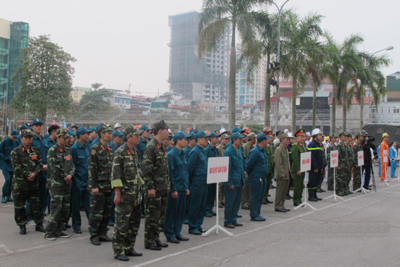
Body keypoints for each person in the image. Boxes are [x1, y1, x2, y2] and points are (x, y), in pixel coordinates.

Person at [111, 127, 144, 261]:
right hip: (125, 196)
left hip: (135, 195)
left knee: (134, 224)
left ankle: (129, 247)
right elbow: (115, 175)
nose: (138, 138)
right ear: (129, 137)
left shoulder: (135, 152)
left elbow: (137, 172)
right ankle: (118, 251)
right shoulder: (120, 153)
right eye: (136, 136)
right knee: (121, 225)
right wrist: (117, 194)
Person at [10, 129, 44, 235]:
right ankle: (22, 225)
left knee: (36, 205)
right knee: (19, 206)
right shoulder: (15, 152)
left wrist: (35, 173)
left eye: (30, 138)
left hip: (33, 184)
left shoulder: (35, 152)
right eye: (26, 138)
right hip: (20, 185)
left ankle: (39, 224)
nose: (28, 140)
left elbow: (40, 165)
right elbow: (16, 167)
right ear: (21, 139)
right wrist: (28, 174)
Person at [142, 120, 170, 250]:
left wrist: (167, 185)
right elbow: (147, 170)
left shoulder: (161, 146)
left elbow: (164, 168)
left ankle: (156, 238)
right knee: (152, 215)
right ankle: (149, 241)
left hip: (162, 187)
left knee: (160, 216)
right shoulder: (151, 147)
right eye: (166, 129)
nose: (168, 132)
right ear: (160, 131)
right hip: (154, 188)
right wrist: (150, 187)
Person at [44, 129, 75, 241]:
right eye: (65, 138)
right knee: (56, 209)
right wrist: (65, 176)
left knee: (65, 209)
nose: (67, 140)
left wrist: (70, 175)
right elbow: (53, 167)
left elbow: (72, 165)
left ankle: (59, 229)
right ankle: (49, 232)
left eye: (67, 138)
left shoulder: (67, 150)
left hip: (66, 185)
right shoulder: (52, 150)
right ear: (58, 138)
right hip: (56, 185)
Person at [163, 131, 191, 244]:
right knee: (171, 212)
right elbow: (170, 174)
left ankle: (177, 232)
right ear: (178, 141)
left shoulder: (183, 153)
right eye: (184, 139)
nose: (186, 141)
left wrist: (187, 186)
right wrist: (173, 189)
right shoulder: (171, 154)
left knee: (180, 212)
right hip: (175, 188)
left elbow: (185, 171)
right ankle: (169, 233)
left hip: (183, 187)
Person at [88, 124, 114, 245]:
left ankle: (103, 233)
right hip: (98, 186)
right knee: (96, 211)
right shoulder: (94, 149)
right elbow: (92, 169)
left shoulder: (110, 150)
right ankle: (94, 234)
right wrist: (93, 186)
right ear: (102, 134)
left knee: (106, 211)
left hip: (108, 186)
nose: (111, 135)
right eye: (108, 133)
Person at [187, 131, 209, 235]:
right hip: (196, 183)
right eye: (205, 138)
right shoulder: (195, 152)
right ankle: (192, 226)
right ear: (199, 139)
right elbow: (190, 169)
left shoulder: (202, 151)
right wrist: (190, 184)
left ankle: (198, 225)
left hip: (204, 183)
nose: (206, 140)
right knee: (195, 206)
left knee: (201, 206)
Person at [70, 127, 91, 234]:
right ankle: (76, 225)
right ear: (80, 136)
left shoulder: (87, 147)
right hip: (77, 181)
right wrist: (74, 181)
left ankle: (92, 224)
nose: (88, 135)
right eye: (86, 134)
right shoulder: (74, 149)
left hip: (86, 180)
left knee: (89, 203)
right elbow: (72, 166)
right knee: (76, 204)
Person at [223, 132, 246, 228]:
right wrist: (229, 182)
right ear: (234, 140)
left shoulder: (239, 151)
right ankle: (227, 220)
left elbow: (240, 166)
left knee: (237, 202)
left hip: (239, 180)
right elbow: (227, 168)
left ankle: (234, 219)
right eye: (240, 139)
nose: (242, 141)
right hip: (232, 181)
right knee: (230, 202)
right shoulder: (228, 151)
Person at [246, 133, 269, 221]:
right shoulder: (255, 151)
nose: (267, 141)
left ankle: (257, 213)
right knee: (255, 196)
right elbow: (250, 164)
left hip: (262, 177)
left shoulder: (262, 150)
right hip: (256, 178)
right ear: (263, 141)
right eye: (266, 140)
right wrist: (249, 173)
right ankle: (254, 214)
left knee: (260, 196)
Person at [31, 118, 49, 219]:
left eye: (40, 125)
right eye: (36, 125)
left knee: (43, 194)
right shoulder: (31, 140)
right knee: (33, 195)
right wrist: (40, 166)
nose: (39, 127)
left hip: (45, 172)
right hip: (35, 171)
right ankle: (30, 217)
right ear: (32, 127)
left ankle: (41, 215)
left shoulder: (44, 140)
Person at [274, 133, 292, 212]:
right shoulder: (279, 149)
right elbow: (278, 163)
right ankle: (278, 206)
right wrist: (282, 174)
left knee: (284, 191)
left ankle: (282, 205)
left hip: (287, 173)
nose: (288, 141)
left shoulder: (285, 149)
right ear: (282, 140)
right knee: (280, 191)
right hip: (281, 175)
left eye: (288, 139)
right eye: (286, 139)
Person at [204, 131, 221, 217]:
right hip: (209, 174)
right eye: (216, 138)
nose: (218, 139)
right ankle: (206, 209)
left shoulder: (216, 150)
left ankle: (210, 208)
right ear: (211, 139)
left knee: (213, 192)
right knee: (208, 192)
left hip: (215, 174)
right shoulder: (207, 150)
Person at [0, 130, 18, 203]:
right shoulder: (4, 142)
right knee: (7, 180)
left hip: (12, 165)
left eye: (15, 137)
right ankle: (3, 196)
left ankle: (8, 196)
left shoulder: (15, 143)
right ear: (10, 135)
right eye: (13, 137)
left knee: (11, 181)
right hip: (5, 165)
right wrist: (7, 158)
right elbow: (0, 153)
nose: (14, 138)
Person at [307, 129, 325, 202]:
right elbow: (312, 157)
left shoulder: (318, 144)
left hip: (319, 167)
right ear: (315, 136)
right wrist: (315, 167)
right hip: (314, 168)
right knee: (312, 181)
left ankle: (315, 195)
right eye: (320, 135)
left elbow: (321, 157)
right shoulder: (312, 144)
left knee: (317, 181)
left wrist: (322, 166)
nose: (321, 136)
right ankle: (311, 196)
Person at [291, 129, 307, 206]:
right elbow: (296, 159)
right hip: (298, 169)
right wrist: (298, 169)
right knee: (297, 186)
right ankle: (296, 200)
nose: (303, 138)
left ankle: (299, 199)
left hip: (303, 168)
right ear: (296, 138)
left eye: (303, 136)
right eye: (301, 136)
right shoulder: (295, 147)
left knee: (301, 186)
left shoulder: (302, 146)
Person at [241, 132, 256, 210]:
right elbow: (244, 159)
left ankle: (248, 202)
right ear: (252, 139)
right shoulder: (245, 147)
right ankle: (244, 203)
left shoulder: (252, 147)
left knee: (250, 187)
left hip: (251, 170)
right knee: (245, 188)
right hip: (246, 170)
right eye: (254, 138)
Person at [217, 132, 230, 207]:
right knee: (219, 186)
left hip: (226, 169)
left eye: (228, 139)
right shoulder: (219, 148)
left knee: (224, 187)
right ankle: (218, 200)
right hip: (220, 170)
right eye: (225, 139)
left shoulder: (228, 148)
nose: (227, 141)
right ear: (221, 140)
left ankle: (222, 200)